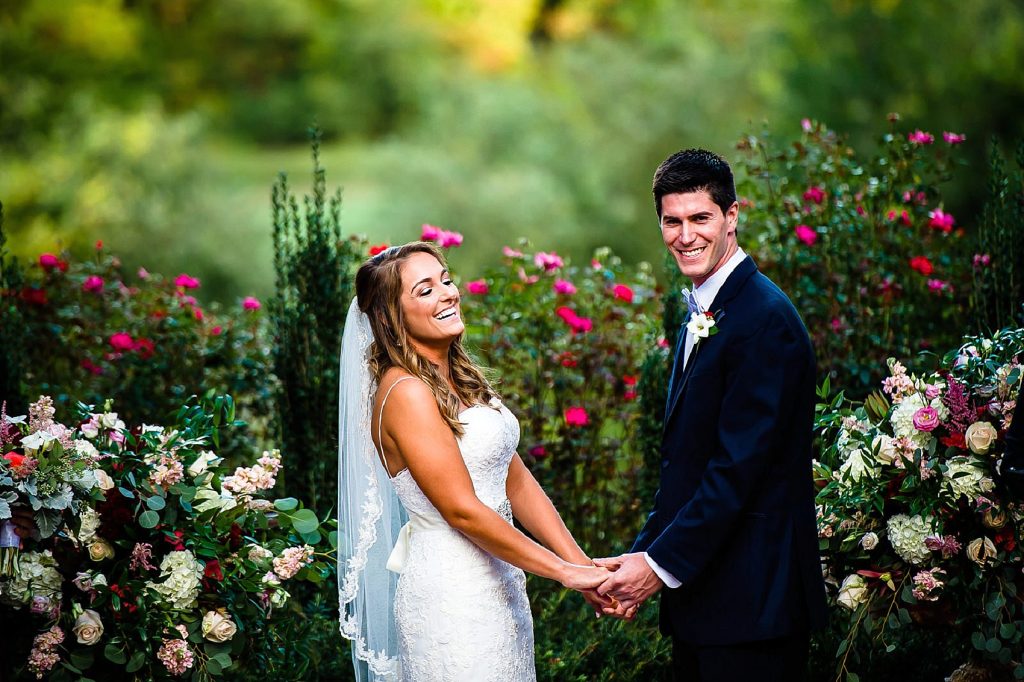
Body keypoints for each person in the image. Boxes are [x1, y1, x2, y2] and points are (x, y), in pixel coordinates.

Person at [594, 149, 828, 681]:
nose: (685, 235)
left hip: (753, 607)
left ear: (732, 216)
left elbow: (735, 472)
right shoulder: (707, 308)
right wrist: (638, 558)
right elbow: (686, 465)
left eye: (700, 218)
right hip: (708, 604)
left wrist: (653, 569)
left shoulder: (764, 320)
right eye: (671, 221)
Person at [336, 241, 609, 682]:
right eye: (424, 290)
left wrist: (582, 566)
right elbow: (461, 509)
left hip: (500, 589)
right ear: (389, 316)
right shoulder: (406, 391)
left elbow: (514, 480)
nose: (447, 293)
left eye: (445, 280)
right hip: (452, 601)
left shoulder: (455, 375)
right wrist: (562, 573)